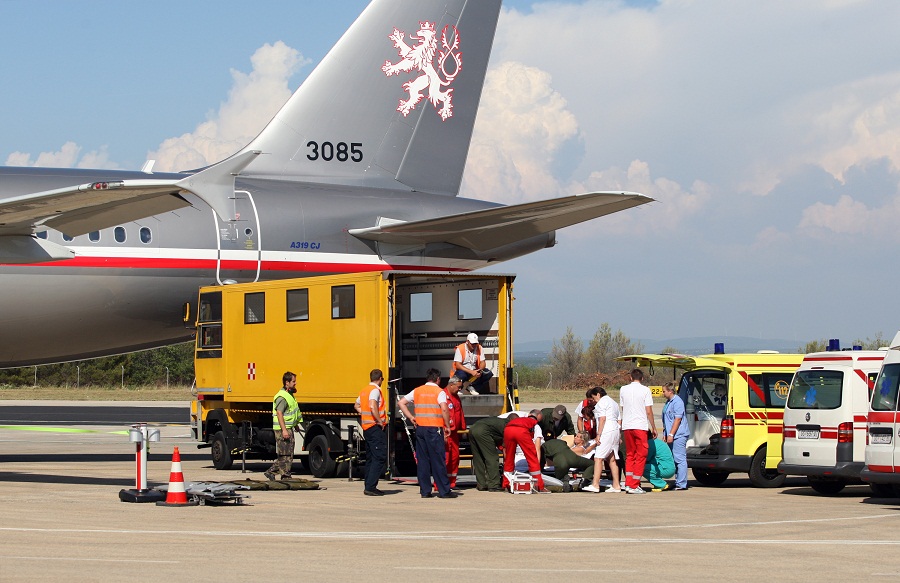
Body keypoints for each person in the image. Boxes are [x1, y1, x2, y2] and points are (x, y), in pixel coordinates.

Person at [398, 368, 457, 499]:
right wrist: (447, 425)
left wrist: (411, 417)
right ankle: (444, 491)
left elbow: (401, 402)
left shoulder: (417, 390)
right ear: (438, 379)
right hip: (434, 428)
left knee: (423, 461)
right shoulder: (439, 391)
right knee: (438, 460)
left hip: (420, 428)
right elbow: (444, 408)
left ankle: (425, 491)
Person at [619, 369, 658, 494]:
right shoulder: (645, 390)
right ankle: (635, 484)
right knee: (641, 455)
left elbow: (623, 407)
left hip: (627, 426)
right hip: (639, 425)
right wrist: (653, 426)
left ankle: (629, 483)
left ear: (630, 377)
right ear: (642, 378)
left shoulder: (623, 389)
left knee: (630, 455)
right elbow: (648, 411)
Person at [354, 369, 387, 496]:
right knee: (379, 456)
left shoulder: (364, 390)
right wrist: (379, 421)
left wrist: (364, 412)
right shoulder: (375, 391)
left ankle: (369, 484)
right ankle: (371, 486)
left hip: (366, 427)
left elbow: (356, 405)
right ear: (380, 379)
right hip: (374, 427)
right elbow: (373, 406)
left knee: (370, 457)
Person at [264, 371, 302, 481]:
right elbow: (279, 413)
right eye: (293, 381)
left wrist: (295, 425)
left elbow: (290, 413)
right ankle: (279, 473)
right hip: (282, 430)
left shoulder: (289, 395)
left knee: (288, 453)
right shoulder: (282, 397)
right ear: (287, 382)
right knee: (285, 454)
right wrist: (284, 430)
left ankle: (283, 474)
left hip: (288, 428)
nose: (295, 383)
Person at [584, 387, 622, 493]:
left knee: (598, 458)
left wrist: (598, 435)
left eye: (593, 397)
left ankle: (595, 484)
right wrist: (618, 435)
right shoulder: (614, 403)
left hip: (606, 431)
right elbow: (619, 420)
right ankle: (616, 485)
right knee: (612, 459)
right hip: (615, 431)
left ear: (598, 394)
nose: (594, 400)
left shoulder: (601, 403)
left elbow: (602, 419)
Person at [469, 412, 520, 491]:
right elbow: (505, 449)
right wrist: (508, 463)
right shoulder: (507, 426)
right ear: (511, 420)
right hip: (482, 431)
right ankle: (494, 485)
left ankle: (482, 484)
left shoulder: (499, 422)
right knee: (492, 457)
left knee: (478, 458)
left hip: (473, 428)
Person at [502, 409, 547, 492]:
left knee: (509, 458)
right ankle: (539, 486)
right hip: (521, 431)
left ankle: (506, 483)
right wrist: (537, 463)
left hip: (508, 429)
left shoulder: (519, 418)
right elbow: (537, 448)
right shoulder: (535, 425)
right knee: (532, 457)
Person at [662, 381, 690, 490]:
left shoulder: (678, 402)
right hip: (671, 434)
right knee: (674, 458)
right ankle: (678, 481)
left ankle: (682, 483)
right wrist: (665, 433)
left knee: (680, 458)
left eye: (664, 391)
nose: (663, 393)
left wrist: (671, 434)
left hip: (678, 435)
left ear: (670, 391)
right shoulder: (668, 402)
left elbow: (677, 419)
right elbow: (667, 420)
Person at [442, 376, 466, 489]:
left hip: (454, 432)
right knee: (445, 458)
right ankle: (440, 484)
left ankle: (452, 482)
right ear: (451, 385)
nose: (460, 389)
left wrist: (462, 427)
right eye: (459, 387)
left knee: (455, 458)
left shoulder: (456, 397)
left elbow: (459, 412)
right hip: (445, 432)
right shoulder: (442, 396)